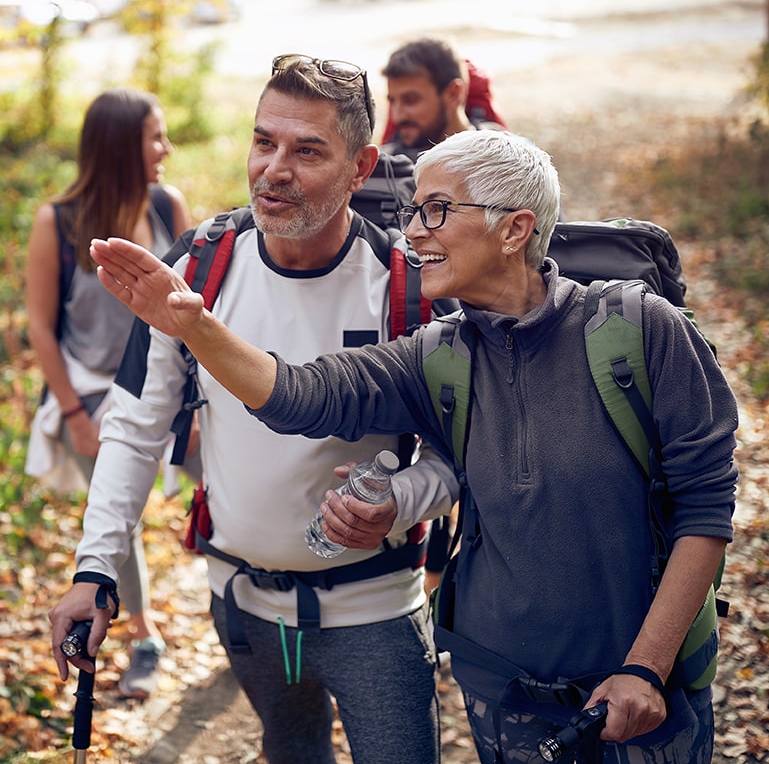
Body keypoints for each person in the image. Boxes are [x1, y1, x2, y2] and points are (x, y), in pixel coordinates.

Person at [84, 128, 738, 764]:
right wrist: (194, 326)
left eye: (436, 210)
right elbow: (299, 396)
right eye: (412, 211)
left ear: (512, 229)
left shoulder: (638, 331)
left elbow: (704, 510)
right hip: (499, 688)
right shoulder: (437, 355)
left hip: (639, 694)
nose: (414, 231)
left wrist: (644, 670)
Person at [49, 55, 458, 764]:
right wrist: (95, 571)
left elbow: (462, 451)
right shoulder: (200, 266)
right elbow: (135, 427)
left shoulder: (405, 288)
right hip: (241, 606)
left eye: (306, 151)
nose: (274, 169)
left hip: (376, 611)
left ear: (360, 168)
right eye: (264, 141)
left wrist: (403, 497)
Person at [26, 87, 192, 699]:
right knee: (112, 501)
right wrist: (72, 413)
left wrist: (194, 410)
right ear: (122, 145)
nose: (166, 148)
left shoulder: (165, 206)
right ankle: (146, 635)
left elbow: (193, 312)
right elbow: (40, 326)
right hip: (92, 392)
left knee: (230, 464)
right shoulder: (58, 221)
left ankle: (255, 600)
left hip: (166, 384)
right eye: (155, 136)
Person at [380, 37, 506, 162]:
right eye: (392, 101)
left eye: (411, 100)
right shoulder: (380, 167)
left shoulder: (504, 160)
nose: (397, 116)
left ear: (454, 94)